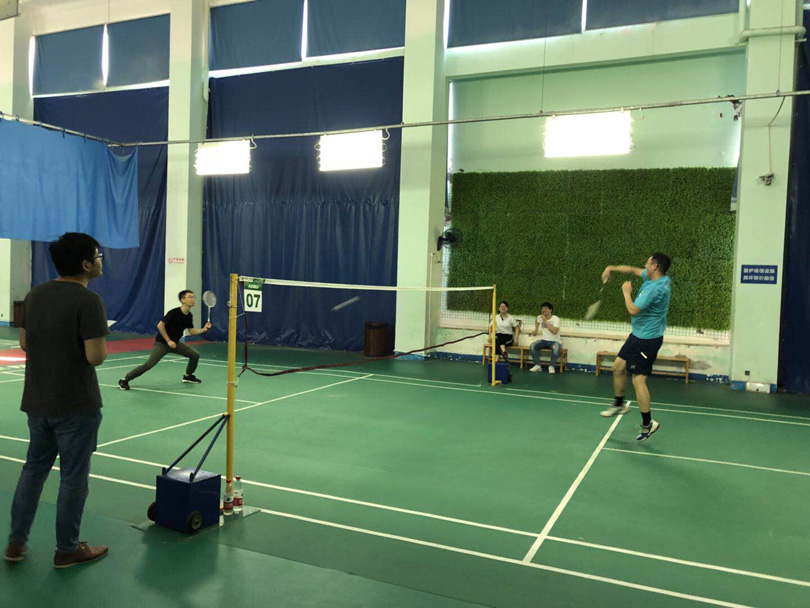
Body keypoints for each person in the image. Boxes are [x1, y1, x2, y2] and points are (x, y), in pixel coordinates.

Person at [5, 232, 109, 567]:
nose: (101, 260)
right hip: (76, 405)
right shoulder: (88, 301)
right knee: (73, 479)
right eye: (98, 255)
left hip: (37, 402)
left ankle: (15, 544)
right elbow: (95, 356)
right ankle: (67, 549)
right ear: (86, 264)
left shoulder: (35, 295)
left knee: (33, 471)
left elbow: (24, 344)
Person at [599, 253, 672, 442]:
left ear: (655, 266)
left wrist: (626, 292)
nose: (645, 264)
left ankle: (648, 424)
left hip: (647, 340)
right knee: (617, 367)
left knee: (639, 380)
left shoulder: (655, 289)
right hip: (638, 335)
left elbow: (633, 310)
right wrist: (611, 267)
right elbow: (631, 270)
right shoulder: (658, 277)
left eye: (648, 262)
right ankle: (619, 405)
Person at [118, 290, 211, 390]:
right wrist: (168, 341)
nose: (193, 299)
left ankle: (188, 376)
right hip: (162, 344)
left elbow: (192, 331)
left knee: (195, 355)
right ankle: (125, 380)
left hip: (175, 344)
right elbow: (160, 325)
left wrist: (204, 329)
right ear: (182, 300)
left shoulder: (189, 316)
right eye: (190, 297)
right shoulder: (174, 312)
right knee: (148, 365)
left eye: (194, 297)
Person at [529, 302, 561, 374]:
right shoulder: (540, 317)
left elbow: (554, 331)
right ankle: (537, 365)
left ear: (551, 310)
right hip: (544, 340)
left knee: (556, 348)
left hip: (555, 341)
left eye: (546, 308)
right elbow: (537, 320)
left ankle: (551, 366)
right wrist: (536, 330)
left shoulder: (556, 319)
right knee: (533, 346)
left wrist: (545, 321)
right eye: (542, 309)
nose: (543, 310)